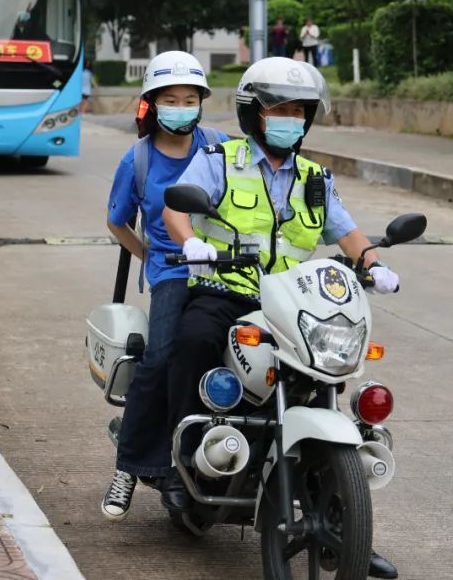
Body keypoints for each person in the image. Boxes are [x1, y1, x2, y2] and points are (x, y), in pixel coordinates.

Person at [160, 57, 400, 579]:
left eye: (298, 110)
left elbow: (347, 230)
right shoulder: (219, 159)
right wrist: (194, 242)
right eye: (279, 110)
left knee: (327, 374)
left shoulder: (316, 178)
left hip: (292, 301)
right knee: (193, 339)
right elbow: (174, 210)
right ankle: (178, 464)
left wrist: (373, 264)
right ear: (254, 115)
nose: (290, 118)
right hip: (227, 291)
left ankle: (345, 528)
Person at [100, 51, 228, 522]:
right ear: (152, 104)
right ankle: (129, 466)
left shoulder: (219, 146)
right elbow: (117, 223)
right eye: (169, 99)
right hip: (173, 274)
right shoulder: (136, 159)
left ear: (201, 103)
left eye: (189, 98)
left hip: (224, 270)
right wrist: (150, 256)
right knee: (160, 359)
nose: (180, 106)